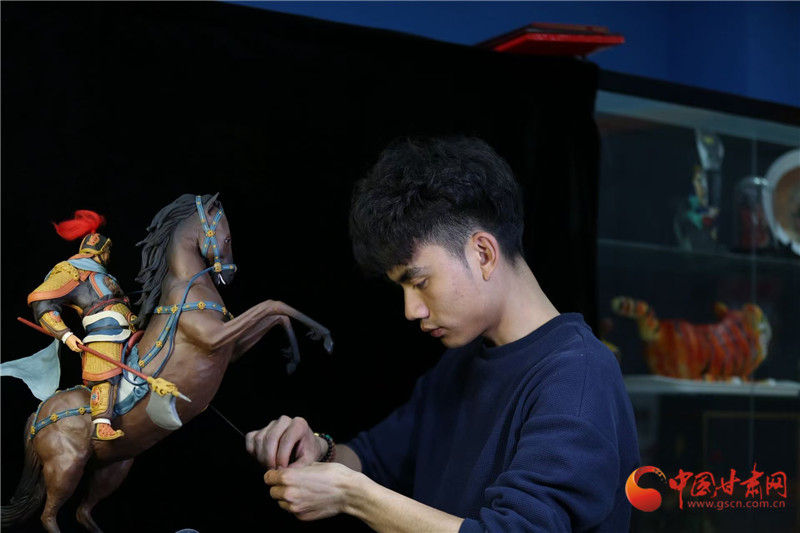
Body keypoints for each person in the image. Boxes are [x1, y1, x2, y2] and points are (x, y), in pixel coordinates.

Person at [245, 136, 640, 532]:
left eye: (420, 282)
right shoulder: (458, 365)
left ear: (483, 254)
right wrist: (319, 450)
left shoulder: (577, 378)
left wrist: (352, 495)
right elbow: (372, 459)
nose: (411, 310)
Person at [28, 210, 136, 440]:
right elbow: (41, 299)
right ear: (101, 252)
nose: (109, 256)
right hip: (103, 333)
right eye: (107, 252)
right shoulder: (71, 270)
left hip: (131, 328)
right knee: (106, 369)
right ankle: (101, 423)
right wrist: (66, 335)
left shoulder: (105, 276)